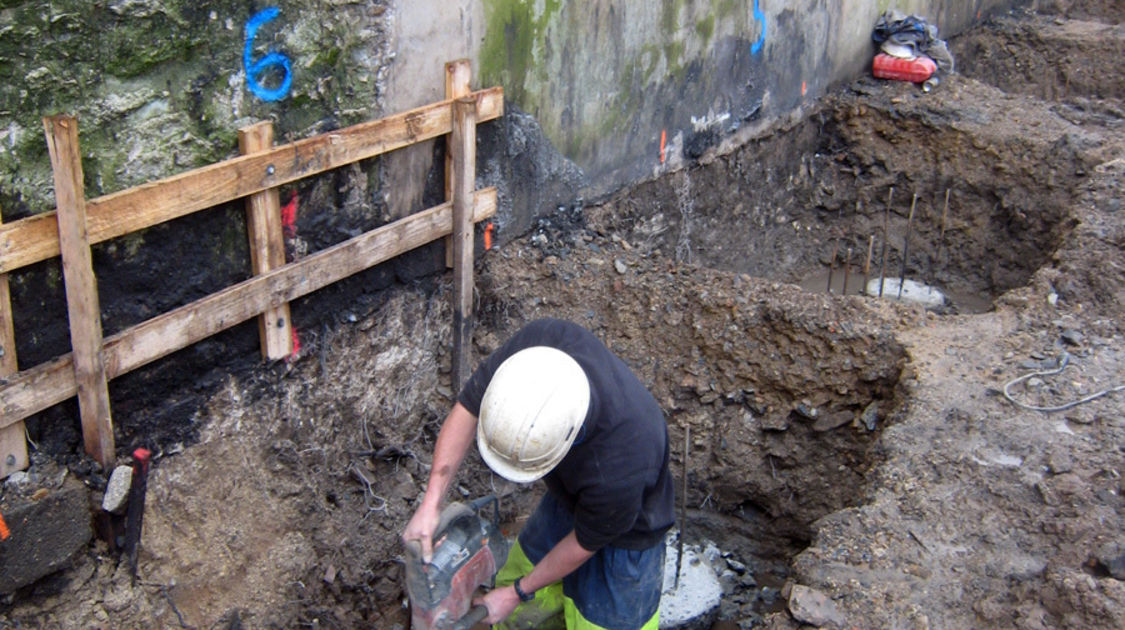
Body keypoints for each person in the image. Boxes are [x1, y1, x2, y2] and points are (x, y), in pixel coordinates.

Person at [402, 318, 674, 630]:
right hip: (568, 499)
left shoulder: (625, 462)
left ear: (567, 440)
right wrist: (431, 503)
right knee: (517, 591)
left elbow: (585, 542)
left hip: (628, 538)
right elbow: (467, 408)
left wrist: (517, 593)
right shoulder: (541, 346)